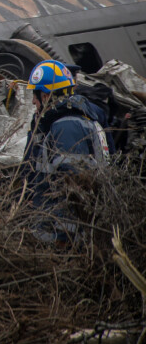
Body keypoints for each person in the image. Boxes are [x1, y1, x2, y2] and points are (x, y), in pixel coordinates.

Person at [21, 60, 109, 243]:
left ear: (45, 96)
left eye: (35, 95)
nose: (33, 101)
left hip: (64, 234)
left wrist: (64, 239)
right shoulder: (65, 122)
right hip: (57, 229)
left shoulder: (68, 126)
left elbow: (75, 186)